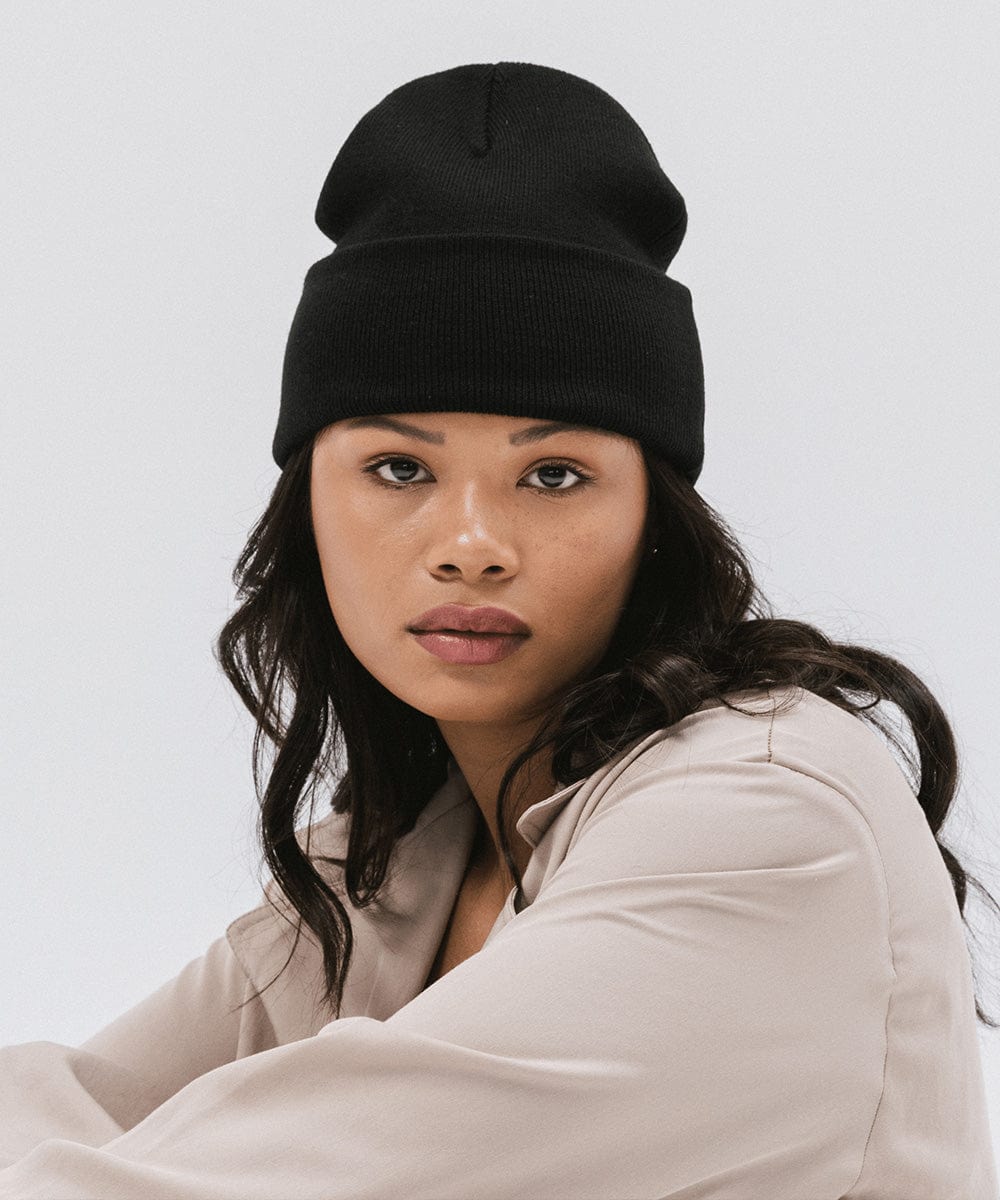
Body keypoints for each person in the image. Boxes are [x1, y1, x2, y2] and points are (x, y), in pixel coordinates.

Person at [1, 60, 996, 1199]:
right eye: (396, 467)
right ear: (307, 508)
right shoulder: (395, 868)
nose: (471, 541)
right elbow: (67, 1107)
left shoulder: (762, 828)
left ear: (654, 518)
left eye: (556, 473)